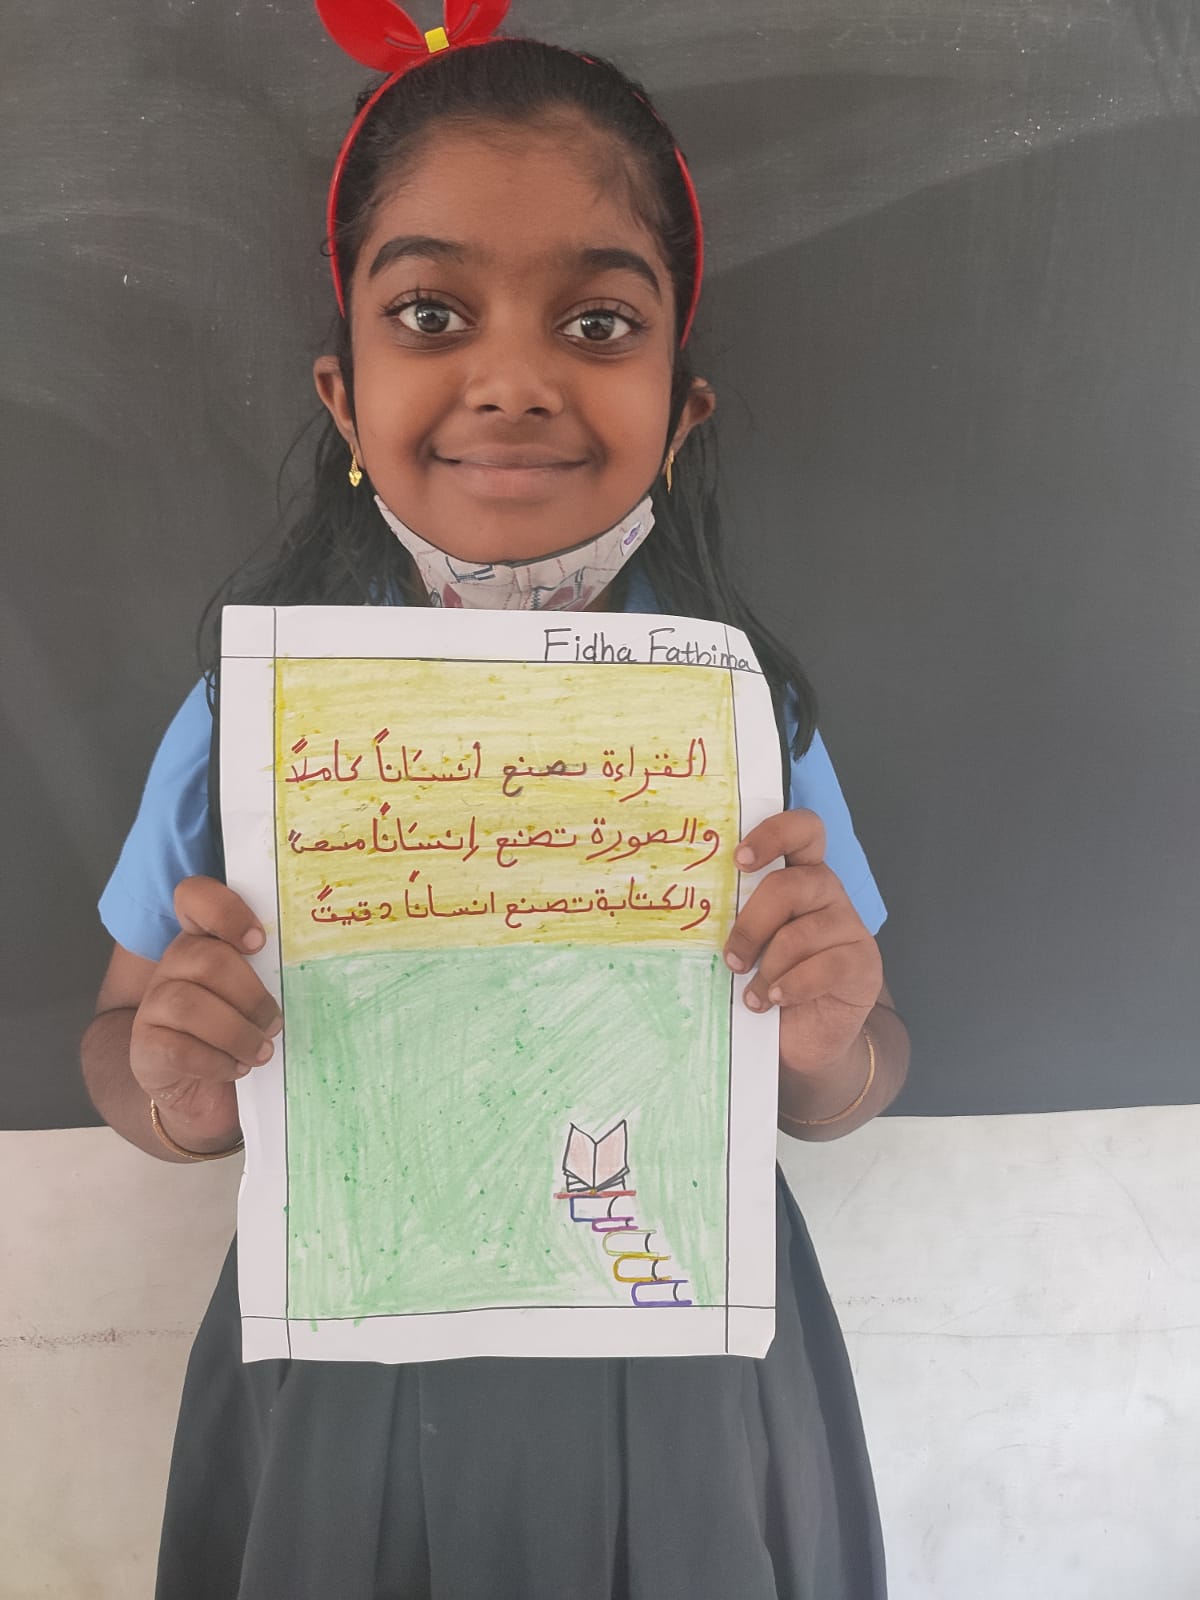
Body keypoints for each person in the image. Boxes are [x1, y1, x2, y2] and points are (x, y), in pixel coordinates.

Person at [82, 13, 911, 1598]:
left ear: (681, 406)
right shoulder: (246, 720)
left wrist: (826, 1041)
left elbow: (850, 1076)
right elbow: (127, 1051)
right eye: (431, 312)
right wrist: (176, 1086)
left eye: (599, 321)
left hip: (682, 1362)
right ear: (344, 396)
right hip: (349, 1358)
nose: (515, 380)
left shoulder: (743, 713)